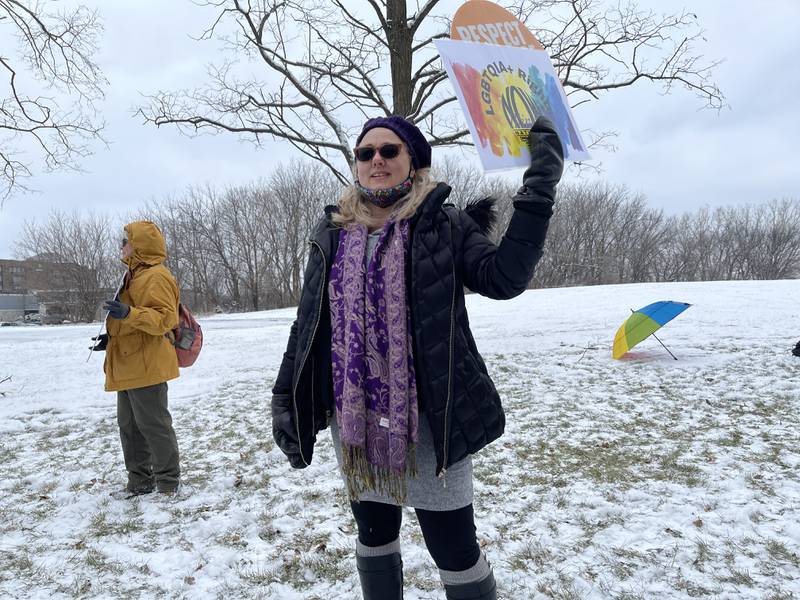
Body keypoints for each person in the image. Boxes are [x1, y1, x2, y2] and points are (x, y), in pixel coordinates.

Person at [271, 114, 563, 599]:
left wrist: (540, 186)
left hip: (430, 422)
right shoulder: (332, 234)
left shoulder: (442, 224)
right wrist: (286, 395)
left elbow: (504, 279)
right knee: (373, 535)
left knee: (454, 551)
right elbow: (307, 326)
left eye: (390, 151)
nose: (377, 160)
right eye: (366, 153)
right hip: (358, 422)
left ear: (414, 163)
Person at [91, 220, 182, 498]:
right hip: (128, 363)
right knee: (129, 427)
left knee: (153, 425)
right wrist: (112, 336)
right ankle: (140, 482)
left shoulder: (156, 276)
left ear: (140, 246)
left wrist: (127, 314)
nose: (122, 246)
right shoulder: (133, 276)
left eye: (126, 241)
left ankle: (168, 483)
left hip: (148, 364)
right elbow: (133, 318)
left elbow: (165, 319)